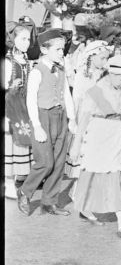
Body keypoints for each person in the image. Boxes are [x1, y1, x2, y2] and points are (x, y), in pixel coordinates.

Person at [70, 55, 121, 234]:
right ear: (112, 73)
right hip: (97, 131)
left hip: (115, 133)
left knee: (113, 174)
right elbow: (83, 118)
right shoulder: (96, 90)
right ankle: (84, 207)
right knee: (90, 172)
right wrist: (76, 144)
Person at [17, 29, 76, 217]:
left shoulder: (60, 68)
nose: (62, 53)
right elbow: (30, 101)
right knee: (46, 162)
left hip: (60, 116)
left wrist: (72, 118)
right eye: (58, 49)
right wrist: (36, 126)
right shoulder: (37, 71)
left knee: (59, 162)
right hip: (43, 117)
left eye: (62, 49)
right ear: (44, 49)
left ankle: (49, 202)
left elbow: (66, 93)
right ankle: (24, 192)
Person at [64, 40, 113, 180]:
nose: (105, 61)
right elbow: (76, 99)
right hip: (85, 119)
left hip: (101, 118)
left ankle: (92, 186)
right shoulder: (82, 75)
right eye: (102, 58)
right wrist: (73, 121)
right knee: (84, 153)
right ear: (92, 56)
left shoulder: (105, 75)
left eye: (106, 58)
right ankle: (78, 189)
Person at [4, 24, 34, 199]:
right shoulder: (8, 62)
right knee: (10, 140)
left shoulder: (27, 62)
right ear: (12, 39)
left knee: (22, 140)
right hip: (10, 107)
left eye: (28, 39)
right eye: (23, 38)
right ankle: (7, 181)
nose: (27, 42)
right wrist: (10, 87)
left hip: (24, 106)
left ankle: (16, 178)